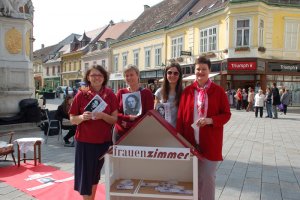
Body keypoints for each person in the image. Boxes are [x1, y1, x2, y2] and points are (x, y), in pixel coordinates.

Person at [176, 56, 231, 200]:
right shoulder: (188, 91)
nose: (200, 72)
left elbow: (226, 114)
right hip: (189, 142)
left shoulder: (218, 91)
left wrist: (210, 120)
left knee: (207, 178)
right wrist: (180, 141)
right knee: (191, 178)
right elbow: (181, 118)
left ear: (209, 71)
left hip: (210, 143)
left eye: (203, 69)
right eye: (198, 69)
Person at [69, 65, 118, 200]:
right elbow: (72, 119)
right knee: (86, 177)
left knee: (95, 175)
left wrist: (102, 116)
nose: (96, 78)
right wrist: (81, 117)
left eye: (100, 75)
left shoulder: (110, 94)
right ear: (88, 78)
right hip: (85, 142)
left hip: (103, 142)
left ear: (104, 78)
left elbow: (114, 120)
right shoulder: (81, 94)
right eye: (93, 75)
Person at [115, 64, 154, 142]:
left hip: (139, 133)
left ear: (137, 75)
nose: (129, 77)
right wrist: (127, 118)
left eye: (132, 75)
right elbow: (115, 114)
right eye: (126, 75)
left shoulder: (146, 93)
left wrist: (130, 125)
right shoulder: (120, 92)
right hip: (120, 133)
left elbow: (149, 116)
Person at [154, 62, 183, 128]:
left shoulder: (184, 93)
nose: (172, 75)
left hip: (178, 132)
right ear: (166, 74)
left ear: (179, 76)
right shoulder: (159, 93)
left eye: (175, 73)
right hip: (162, 130)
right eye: (169, 72)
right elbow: (156, 114)